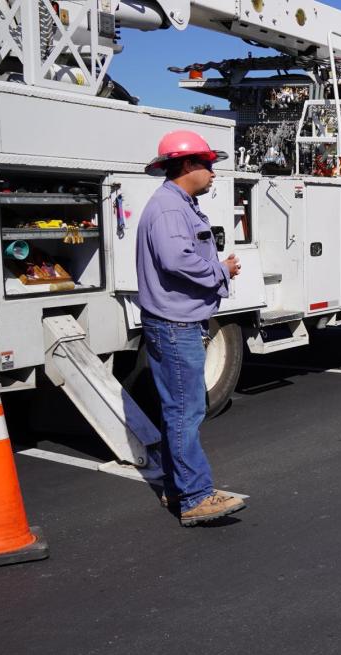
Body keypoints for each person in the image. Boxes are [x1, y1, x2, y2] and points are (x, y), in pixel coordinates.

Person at [137, 130, 247, 527]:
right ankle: (197, 496)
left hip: (172, 322)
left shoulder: (176, 204)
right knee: (186, 410)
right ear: (187, 165)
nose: (214, 172)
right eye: (208, 164)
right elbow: (176, 260)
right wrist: (222, 269)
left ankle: (177, 487)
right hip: (175, 323)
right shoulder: (170, 208)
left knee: (177, 410)